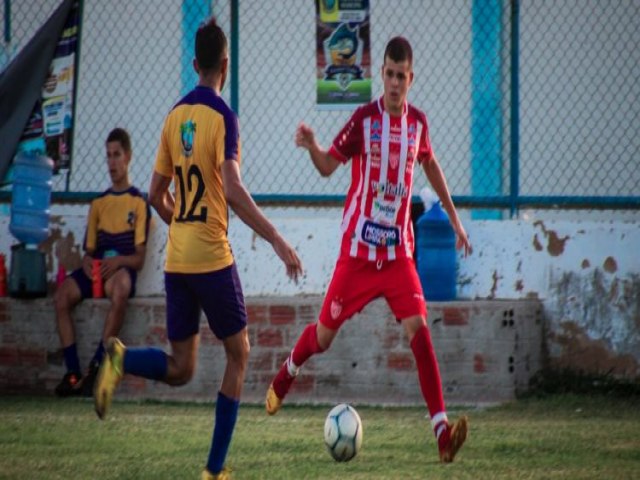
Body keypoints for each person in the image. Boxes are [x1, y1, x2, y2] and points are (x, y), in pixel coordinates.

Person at [93, 18, 303, 480]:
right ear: (225, 65)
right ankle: (214, 471)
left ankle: (120, 357)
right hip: (210, 256)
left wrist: (181, 224)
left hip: (176, 261)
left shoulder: (173, 117)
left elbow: (154, 194)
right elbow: (231, 187)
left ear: (195, 64)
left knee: (182, 367)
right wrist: (276, 238)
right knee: (239, 354)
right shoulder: (224, 118)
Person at [265, 36, 472, 463]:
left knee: (420, 329)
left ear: (411, 79)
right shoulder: (364, 120)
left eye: (403, 76)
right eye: (390, 74)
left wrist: (454, 219)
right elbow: (327, 167)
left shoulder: (418, 124)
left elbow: (430, 165)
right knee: (322, 337)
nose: (395, 83)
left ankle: (441, 435)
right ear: (382, 74)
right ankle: (287, 371)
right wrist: (311, 146)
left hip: (398, 256)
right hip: (358, 255)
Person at [53, 127, 150, 398]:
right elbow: (89, 251)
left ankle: (97, 368)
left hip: (120, 270)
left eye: (116, 155)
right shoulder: (98, 203)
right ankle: (72, 374)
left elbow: (139, 259)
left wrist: (118, 261)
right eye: (108, 156)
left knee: (119, 290)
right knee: (62, 296)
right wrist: (86, 262)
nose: (112, 162)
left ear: (128, 157)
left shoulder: (139, 202)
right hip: (96, 271)